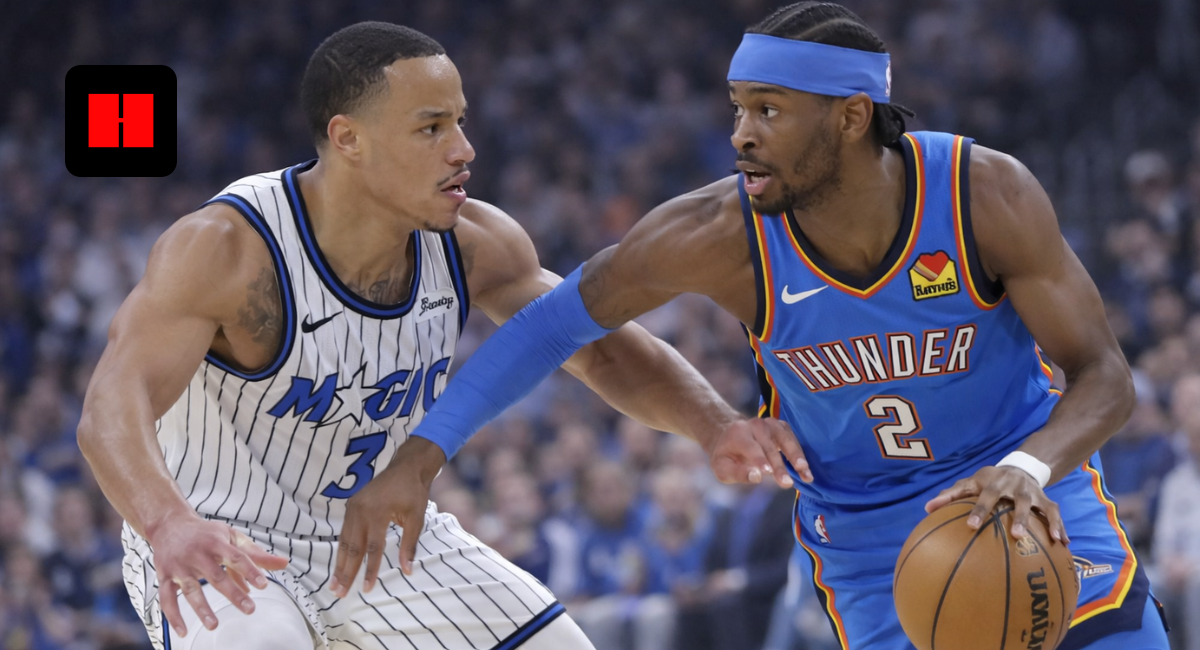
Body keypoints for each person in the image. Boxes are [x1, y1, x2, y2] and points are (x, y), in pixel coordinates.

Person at [363, 3, 1174, 648]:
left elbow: (1105, 375)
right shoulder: (716, 233)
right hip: (872, 535)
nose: (740, 134)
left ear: (853, 116)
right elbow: (548, 328)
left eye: (769, 110)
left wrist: (1031, 468)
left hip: (1028, 497)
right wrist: (422, 456)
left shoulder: (979, 193)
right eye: (739, 108)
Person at [76, 22, 802, 650]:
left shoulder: (474, 242)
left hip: (380, 534)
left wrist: (715, 426)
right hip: (219, 540)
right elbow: (113, 404)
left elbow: (600, 345)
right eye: (432, 127)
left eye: (460, 121)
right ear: (348, 139)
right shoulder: (229, 249)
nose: (464, 148)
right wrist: (166, 525)